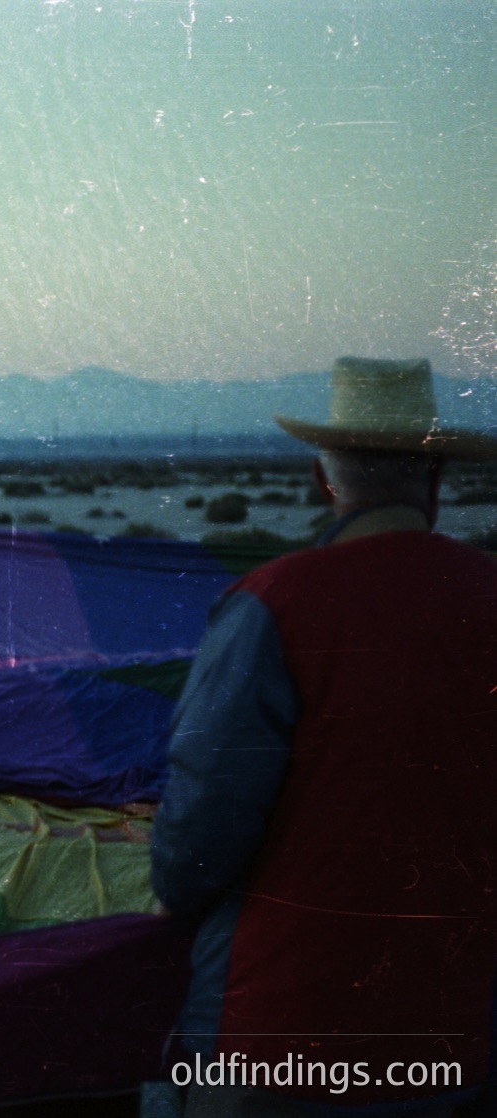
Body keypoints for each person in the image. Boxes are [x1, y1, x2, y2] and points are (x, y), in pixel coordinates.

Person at [150, 357, 497, 1116]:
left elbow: (205, 817)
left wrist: (171, 892)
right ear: (435, 479)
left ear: (323, 480)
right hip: (454, 1025)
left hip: (278, 1025)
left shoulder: (272, 604)